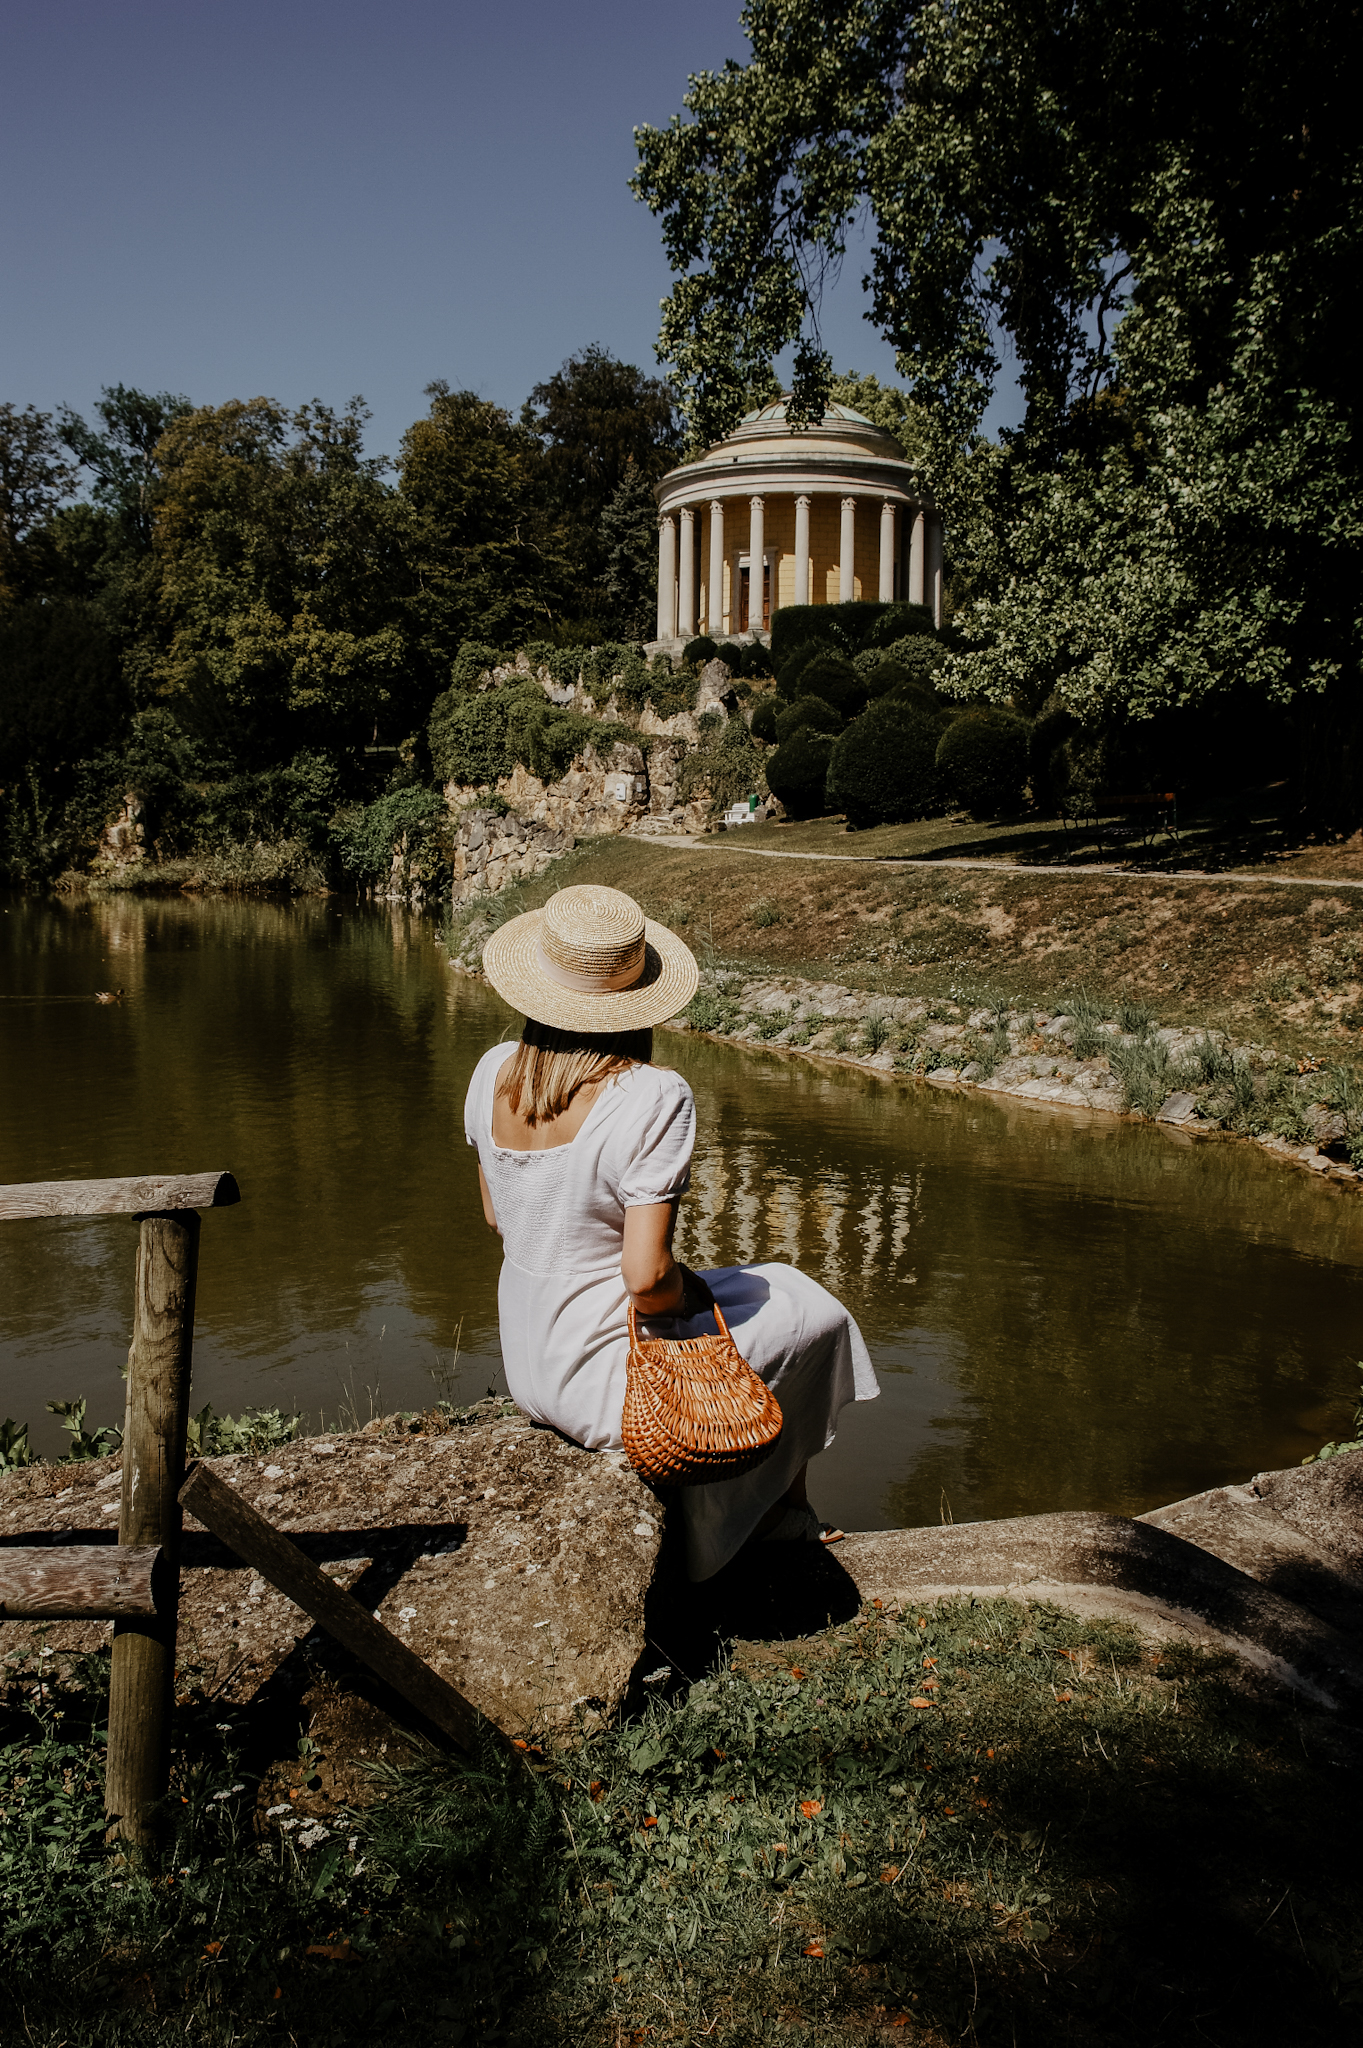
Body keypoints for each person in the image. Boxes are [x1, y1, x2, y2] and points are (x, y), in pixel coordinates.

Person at [464, 883, 879, 1581]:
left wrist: (693, 1292)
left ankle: (763, 1518)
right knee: (816, 1315)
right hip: (603, 1383)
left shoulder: (492, 1070)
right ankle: (776, 1519)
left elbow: (496, 1216)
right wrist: (695, 1299)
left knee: (769, 1284)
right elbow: (646, 1279)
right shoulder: (650, 1095)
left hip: (531, 1364)